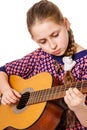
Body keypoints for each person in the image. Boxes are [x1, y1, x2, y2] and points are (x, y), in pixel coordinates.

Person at [0, 0, 87, 129]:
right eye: (42, 41)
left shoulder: (84, 63)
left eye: (55, 35)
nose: (52, 46)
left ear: (66, 23)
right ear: (34, 40)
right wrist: (6, 90)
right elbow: (3, 70)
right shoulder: (39, 56)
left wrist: (79, 107)